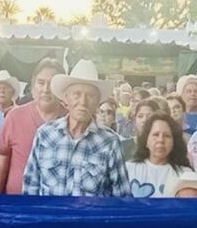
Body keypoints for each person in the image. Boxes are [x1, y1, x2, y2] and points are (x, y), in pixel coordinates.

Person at [22, 61, 129, 197]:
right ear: (66, 98)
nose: (83, 102)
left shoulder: (110, 142)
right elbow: (30, 187)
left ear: (97, 103)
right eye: (77, 94)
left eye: (90, 96)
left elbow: (122, 197)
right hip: (50, 218)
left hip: (90, 218)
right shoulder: (45, 135)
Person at [0, 60, 64, 195]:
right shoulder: (14, 117)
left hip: (55, 207)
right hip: (16, 206)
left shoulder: (70, 121)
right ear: (33, 85)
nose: (46, 89)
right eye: (41, 82)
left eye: (51, 83)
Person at [125, 113, 193, 198]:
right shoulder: (129, 169)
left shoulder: (185, 174)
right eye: (156, 135)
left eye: (167, 136)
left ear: (174, 142)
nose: (160, 140)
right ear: (146, 140)